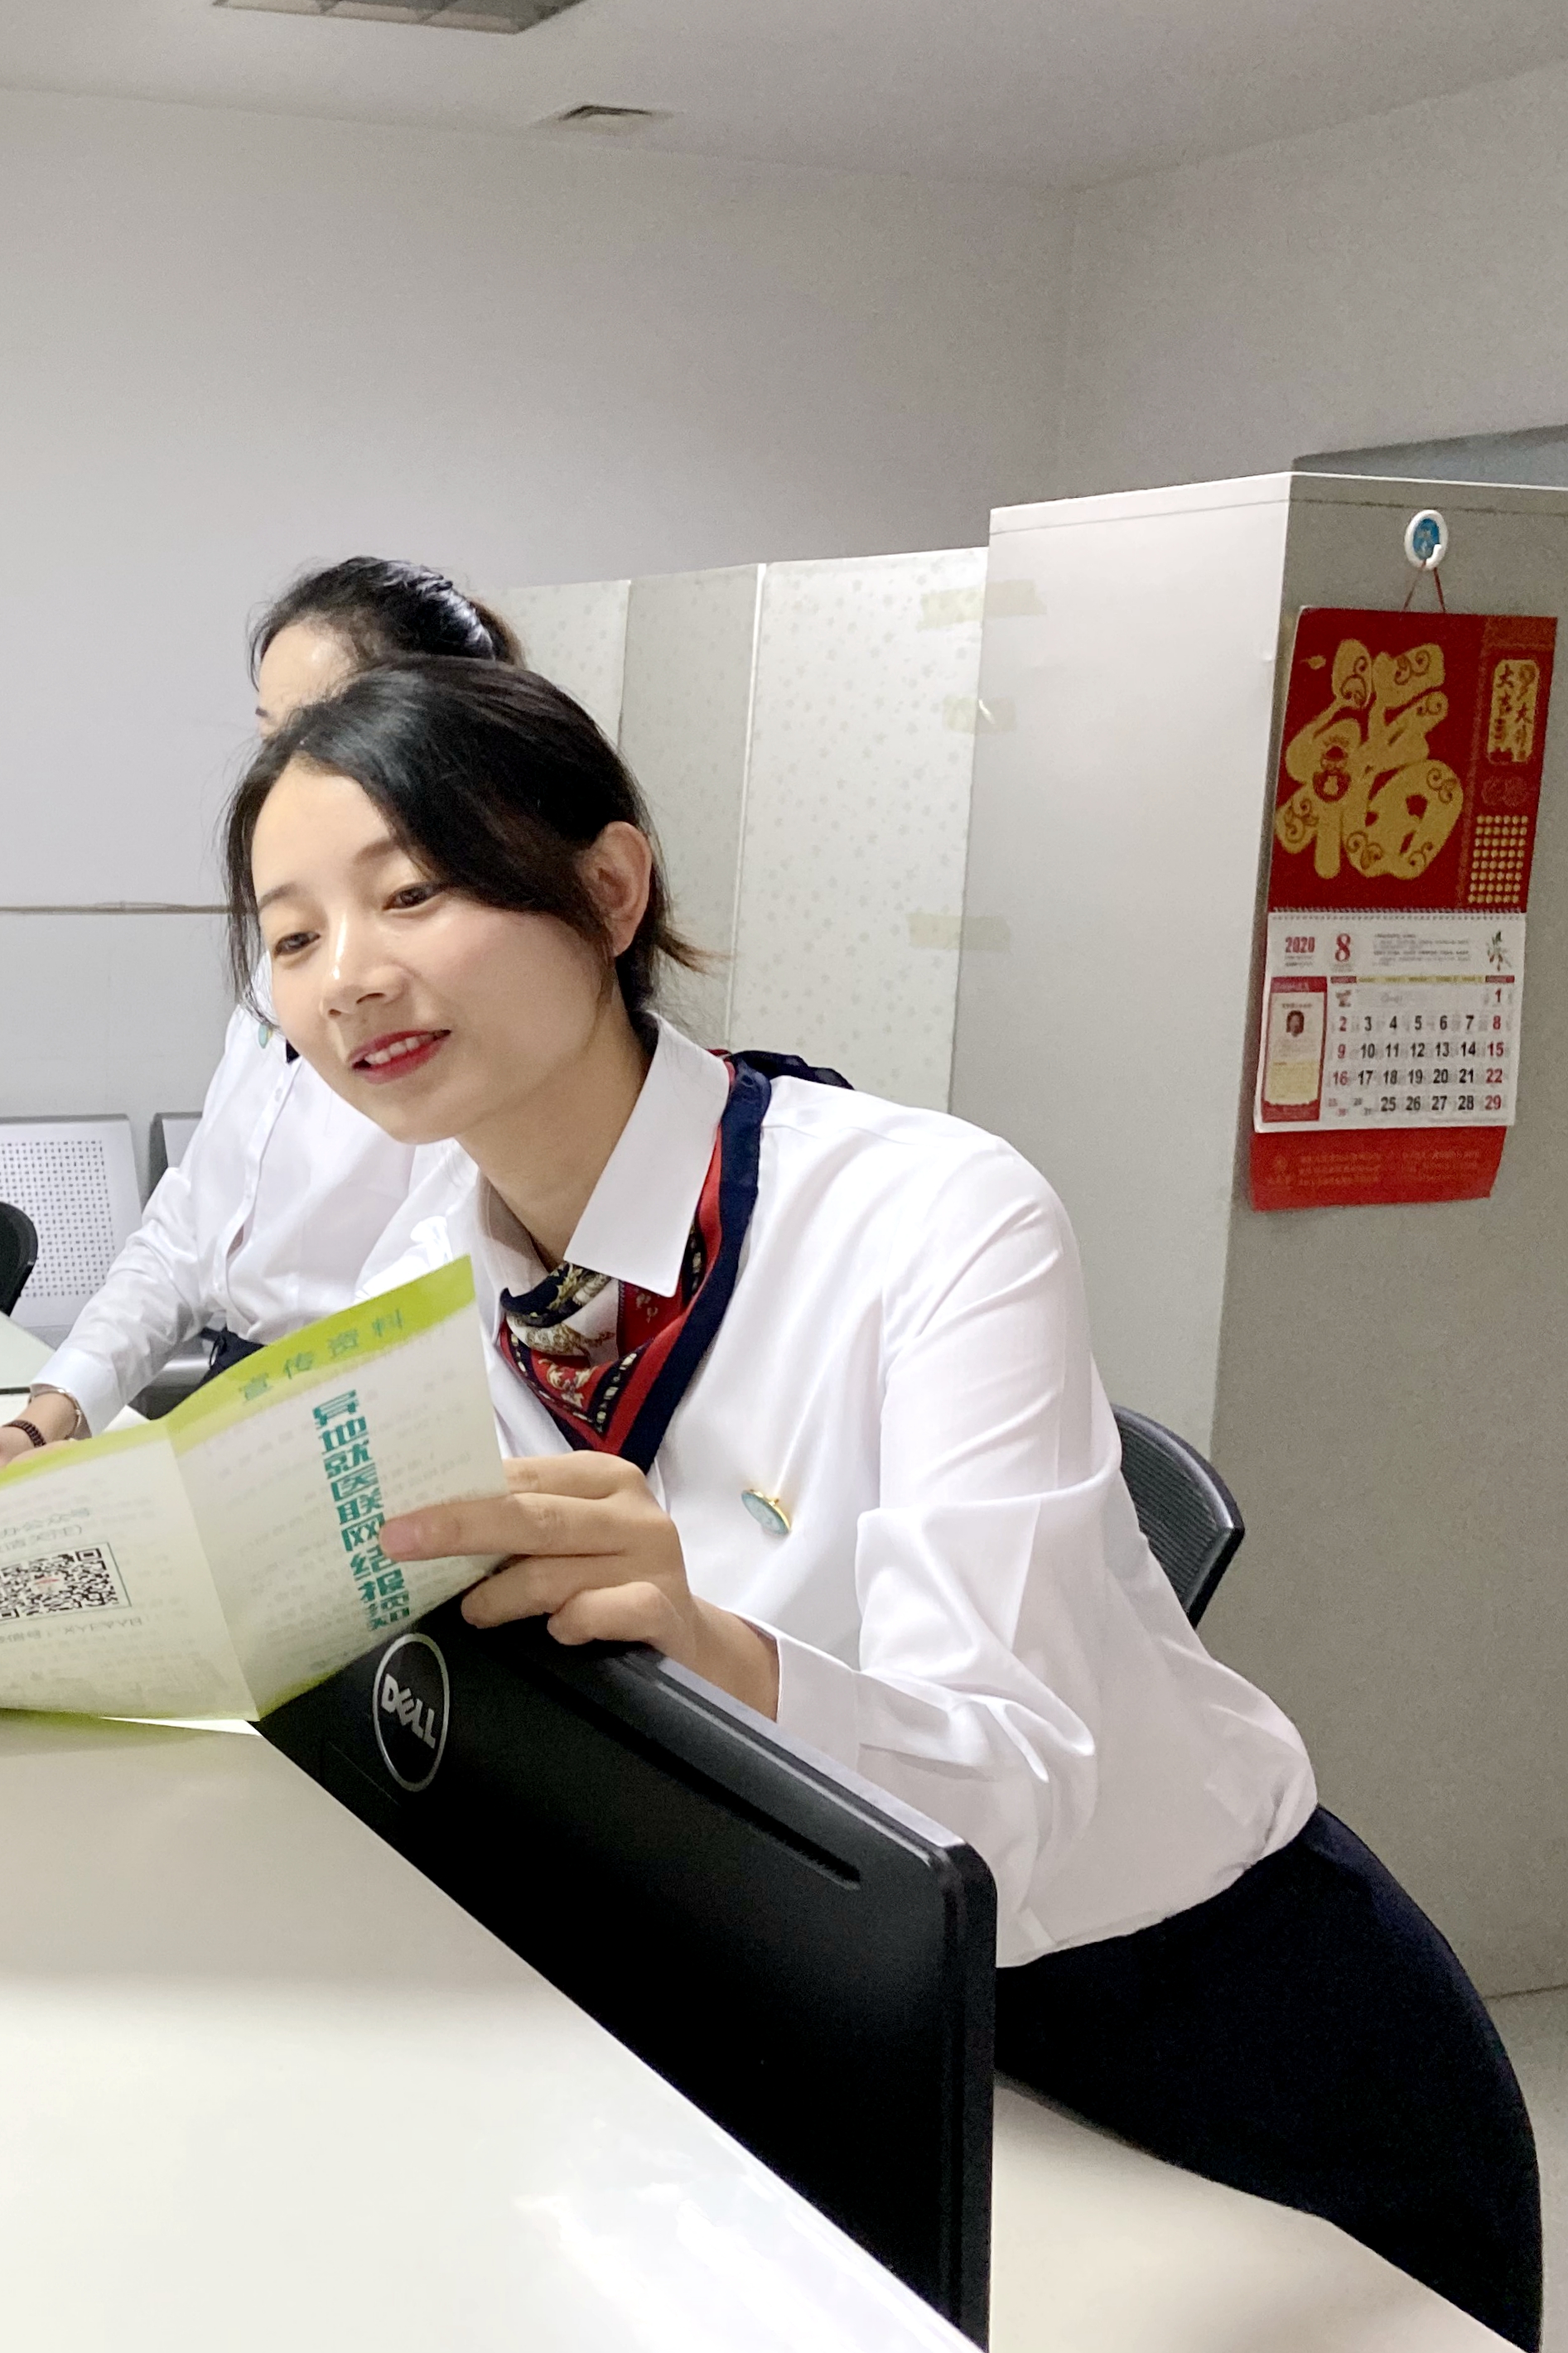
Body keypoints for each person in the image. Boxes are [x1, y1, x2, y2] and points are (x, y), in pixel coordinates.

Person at [230, 653, 1541, 2347]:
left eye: (412, 892)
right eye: (291, 937)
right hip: (795, 2011)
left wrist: (710, 1645)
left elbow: (1015, 1794)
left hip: (1189, 2047)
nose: (350, 975)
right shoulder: (420, 1280)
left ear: (609, 891)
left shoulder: (929, 1221)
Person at [0, 558, 519, 1464]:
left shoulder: (462, 1007)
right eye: (273, 738)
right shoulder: (282, 975)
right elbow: (186, 1233)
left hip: (358, 1432)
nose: (287, 776)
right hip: (244, 1405)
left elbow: (410, 1318)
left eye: (323, 733)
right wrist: (47, 1418)